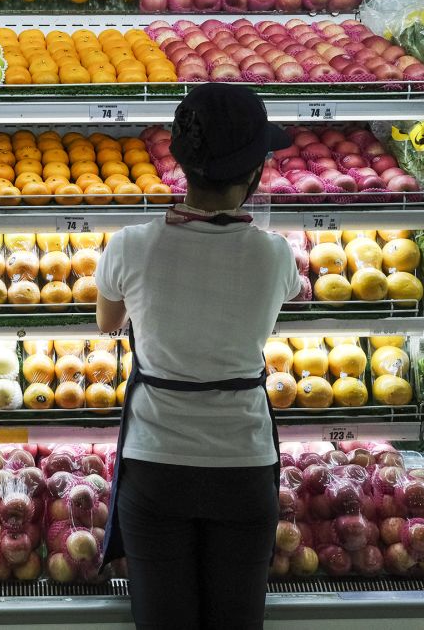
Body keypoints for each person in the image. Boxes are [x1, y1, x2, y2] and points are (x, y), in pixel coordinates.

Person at [95, 83, 303, 630]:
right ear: (255, 172)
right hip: (244, 462)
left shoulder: (131, 245)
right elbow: (273, 310)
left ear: (182, 163)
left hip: (156, 462)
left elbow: (108, 322)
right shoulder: (275, 253)